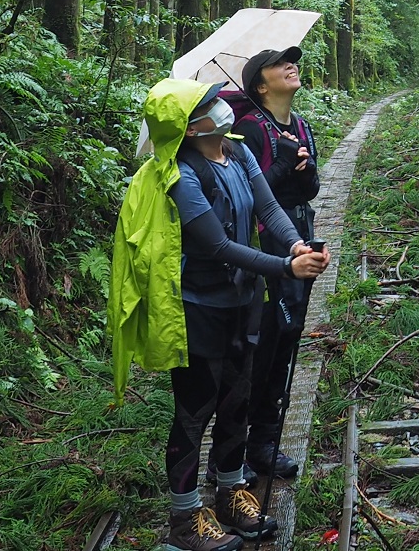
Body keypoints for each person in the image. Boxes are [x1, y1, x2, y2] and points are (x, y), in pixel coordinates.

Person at [111, 77, 329, 551]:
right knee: (194, 412)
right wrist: (286, 266)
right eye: (209, 104)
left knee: (237, 399)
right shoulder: (180, 176)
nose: (222, 106)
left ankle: (231, 494)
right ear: (189, 128)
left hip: (243, 303)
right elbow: (218, 245)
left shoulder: (237, 152)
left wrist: (294, 241)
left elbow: (268, 207)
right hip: (197, 309)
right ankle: (185, 520)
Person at [222, 45, 322, 483]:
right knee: (257, 349)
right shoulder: (248, 129)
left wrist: (301, 170)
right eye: (279, 63)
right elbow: (250, 196)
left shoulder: (300, 125)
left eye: (292, 60)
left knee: (284, 342)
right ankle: (231, 453)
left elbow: (311, 190)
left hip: (298, 242)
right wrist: (282, 165)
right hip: (264, 253)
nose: (290, 65)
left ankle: (265, 443)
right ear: (260, 84)